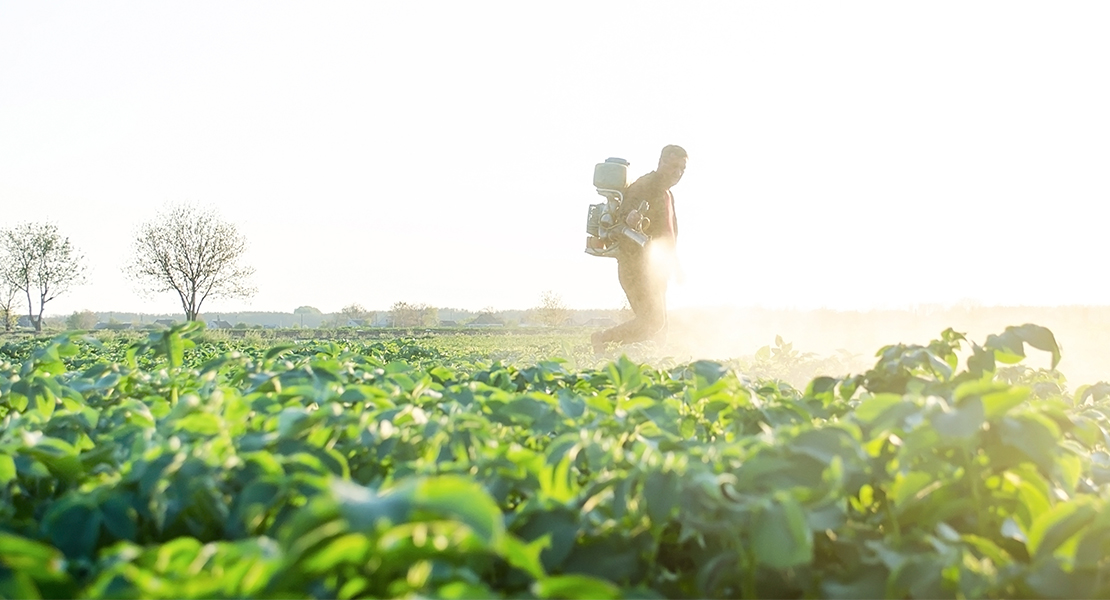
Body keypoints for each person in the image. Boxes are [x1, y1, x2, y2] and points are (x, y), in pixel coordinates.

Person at [592, 144, 687, 354]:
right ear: (661, 162)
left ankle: (658, 367)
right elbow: (627, 213)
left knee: (661, 327)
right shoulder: (644, 186)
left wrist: (676, 265)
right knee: (652, 322)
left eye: (682, 169)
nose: (678, 173)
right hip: (635, 267)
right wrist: (630, 217)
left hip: (656, 272)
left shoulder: (668, 195)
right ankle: (602, 340)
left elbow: (669, 236)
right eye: (673, 167)